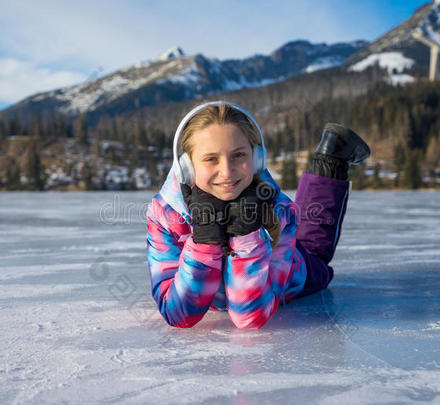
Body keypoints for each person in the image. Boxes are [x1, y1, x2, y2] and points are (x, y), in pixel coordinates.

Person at [146, 101, 369, 329]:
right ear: (186, 166)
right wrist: (205, 242)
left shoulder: (278, 209)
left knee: (313, 251)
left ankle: (333, 158)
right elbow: (177, 314)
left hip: (294, 271)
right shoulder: (165, 214)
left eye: (239, 155)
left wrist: (247, 236)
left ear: (257, 158)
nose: (227, 171)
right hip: (232, 267)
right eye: (211, 158)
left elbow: (249, 317)